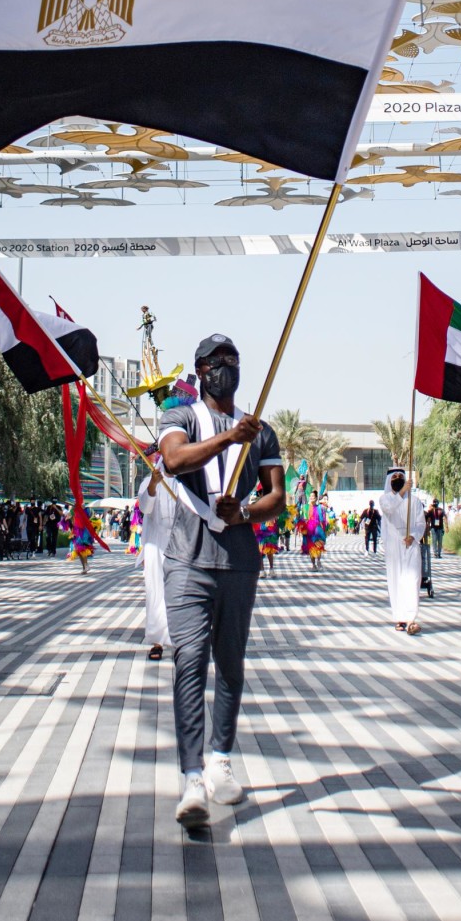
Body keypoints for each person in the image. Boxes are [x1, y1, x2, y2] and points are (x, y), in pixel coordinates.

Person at [156, 333, 287, 828]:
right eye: (213, 362)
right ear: (199, 370)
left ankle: (220, 759)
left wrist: (246, 513)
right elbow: (174, 459)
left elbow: (277, 499)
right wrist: (229, 439)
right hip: (187, 559)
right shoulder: (183, 417)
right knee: (189, 660)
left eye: (230, 359)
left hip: (238, 562)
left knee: (230, 663)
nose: (222, 367)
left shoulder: (263, 431)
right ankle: (192, 778)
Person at [377, 467, 425, 635]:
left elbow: (420, 523)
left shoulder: (415, 501)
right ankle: (399, 617)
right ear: (389, 481)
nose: (397, 478)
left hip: (411, 545)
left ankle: (411, 619)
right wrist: (402, 492)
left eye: (400, 476)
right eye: (394, 476)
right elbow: (389, 509)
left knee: (412, 580)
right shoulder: (385, 499)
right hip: (394, 546)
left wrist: (413, 535)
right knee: (397, 580)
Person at [138, 470, 172, 661]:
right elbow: (145, 507)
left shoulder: (190, 478)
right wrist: (153, 484)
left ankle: (184, 641)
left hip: (184, 540)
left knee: (185, 592)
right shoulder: (149, 479)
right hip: (157, 542)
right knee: (156, 592)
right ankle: (157, 642)